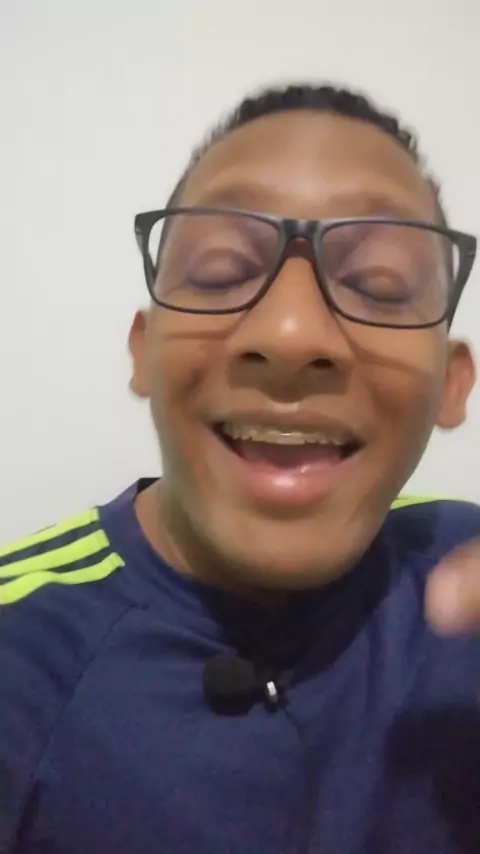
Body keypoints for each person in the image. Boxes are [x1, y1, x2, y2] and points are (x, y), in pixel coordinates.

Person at [1, 82, 480, 854]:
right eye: (221, 274)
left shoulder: (464, 576)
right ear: (143, 353)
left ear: (453, 385)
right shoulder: (21, 652)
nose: (290, 333)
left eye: (379, 284)